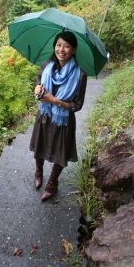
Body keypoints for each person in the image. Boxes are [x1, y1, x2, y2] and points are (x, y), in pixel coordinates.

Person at [29, 31, 87, 201]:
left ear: (74, 50)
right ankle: (38, 171)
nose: (61, 49)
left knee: (61, 152)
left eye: (67, 46)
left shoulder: (80, 74)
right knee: (40, 144)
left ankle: (53, 182)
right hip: (45, 115)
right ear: (54, 46)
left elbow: (77, 105)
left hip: (64, 119)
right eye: (59, 45)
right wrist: (37, 91)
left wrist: (55, 100)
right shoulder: (46, 66)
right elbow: (39, 90)